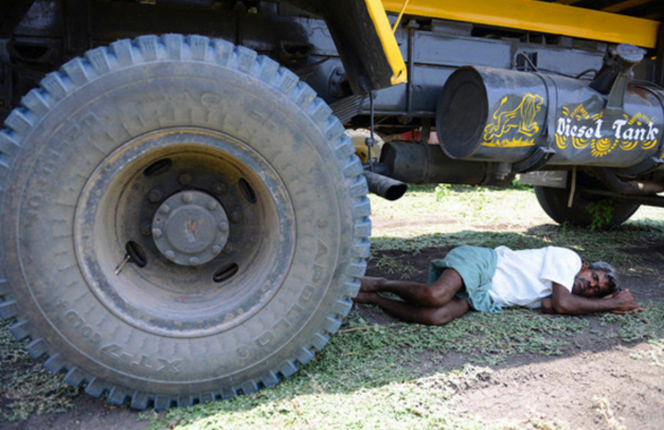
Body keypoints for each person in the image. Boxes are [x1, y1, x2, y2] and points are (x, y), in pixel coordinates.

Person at [354, 245, 643, 326]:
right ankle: (381, 282)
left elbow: (550, 306)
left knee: (437, 315)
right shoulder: (569, 259)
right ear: (585, 266)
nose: (589, 286)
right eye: (593, 278)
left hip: (485, 295)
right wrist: (609, 304)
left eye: (596, 290)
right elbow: (562, 304)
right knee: (435, 295)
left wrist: (606, 306)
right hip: (483, 263)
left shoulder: (557, 292)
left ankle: (374, 299)